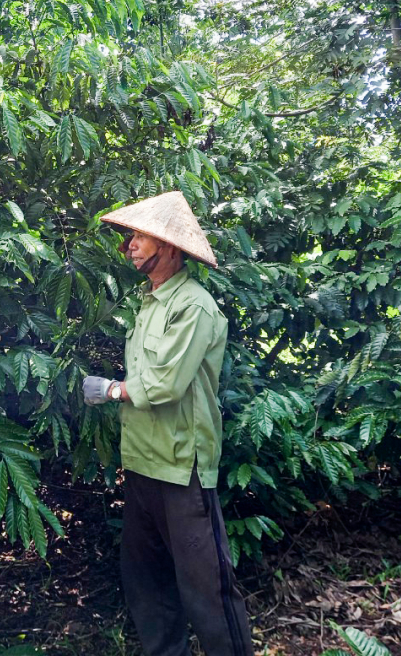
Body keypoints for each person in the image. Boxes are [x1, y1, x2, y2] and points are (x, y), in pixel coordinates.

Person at [83, 190, 255, 656]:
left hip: (183, 467)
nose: (129, 246)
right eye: (131, 236)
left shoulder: (193, 305)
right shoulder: (149, 303)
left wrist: (111, 390)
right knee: (147, 583)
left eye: (140, 236)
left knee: (208, 590)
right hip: (142, 462)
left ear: (170, 247)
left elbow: (165, 385)